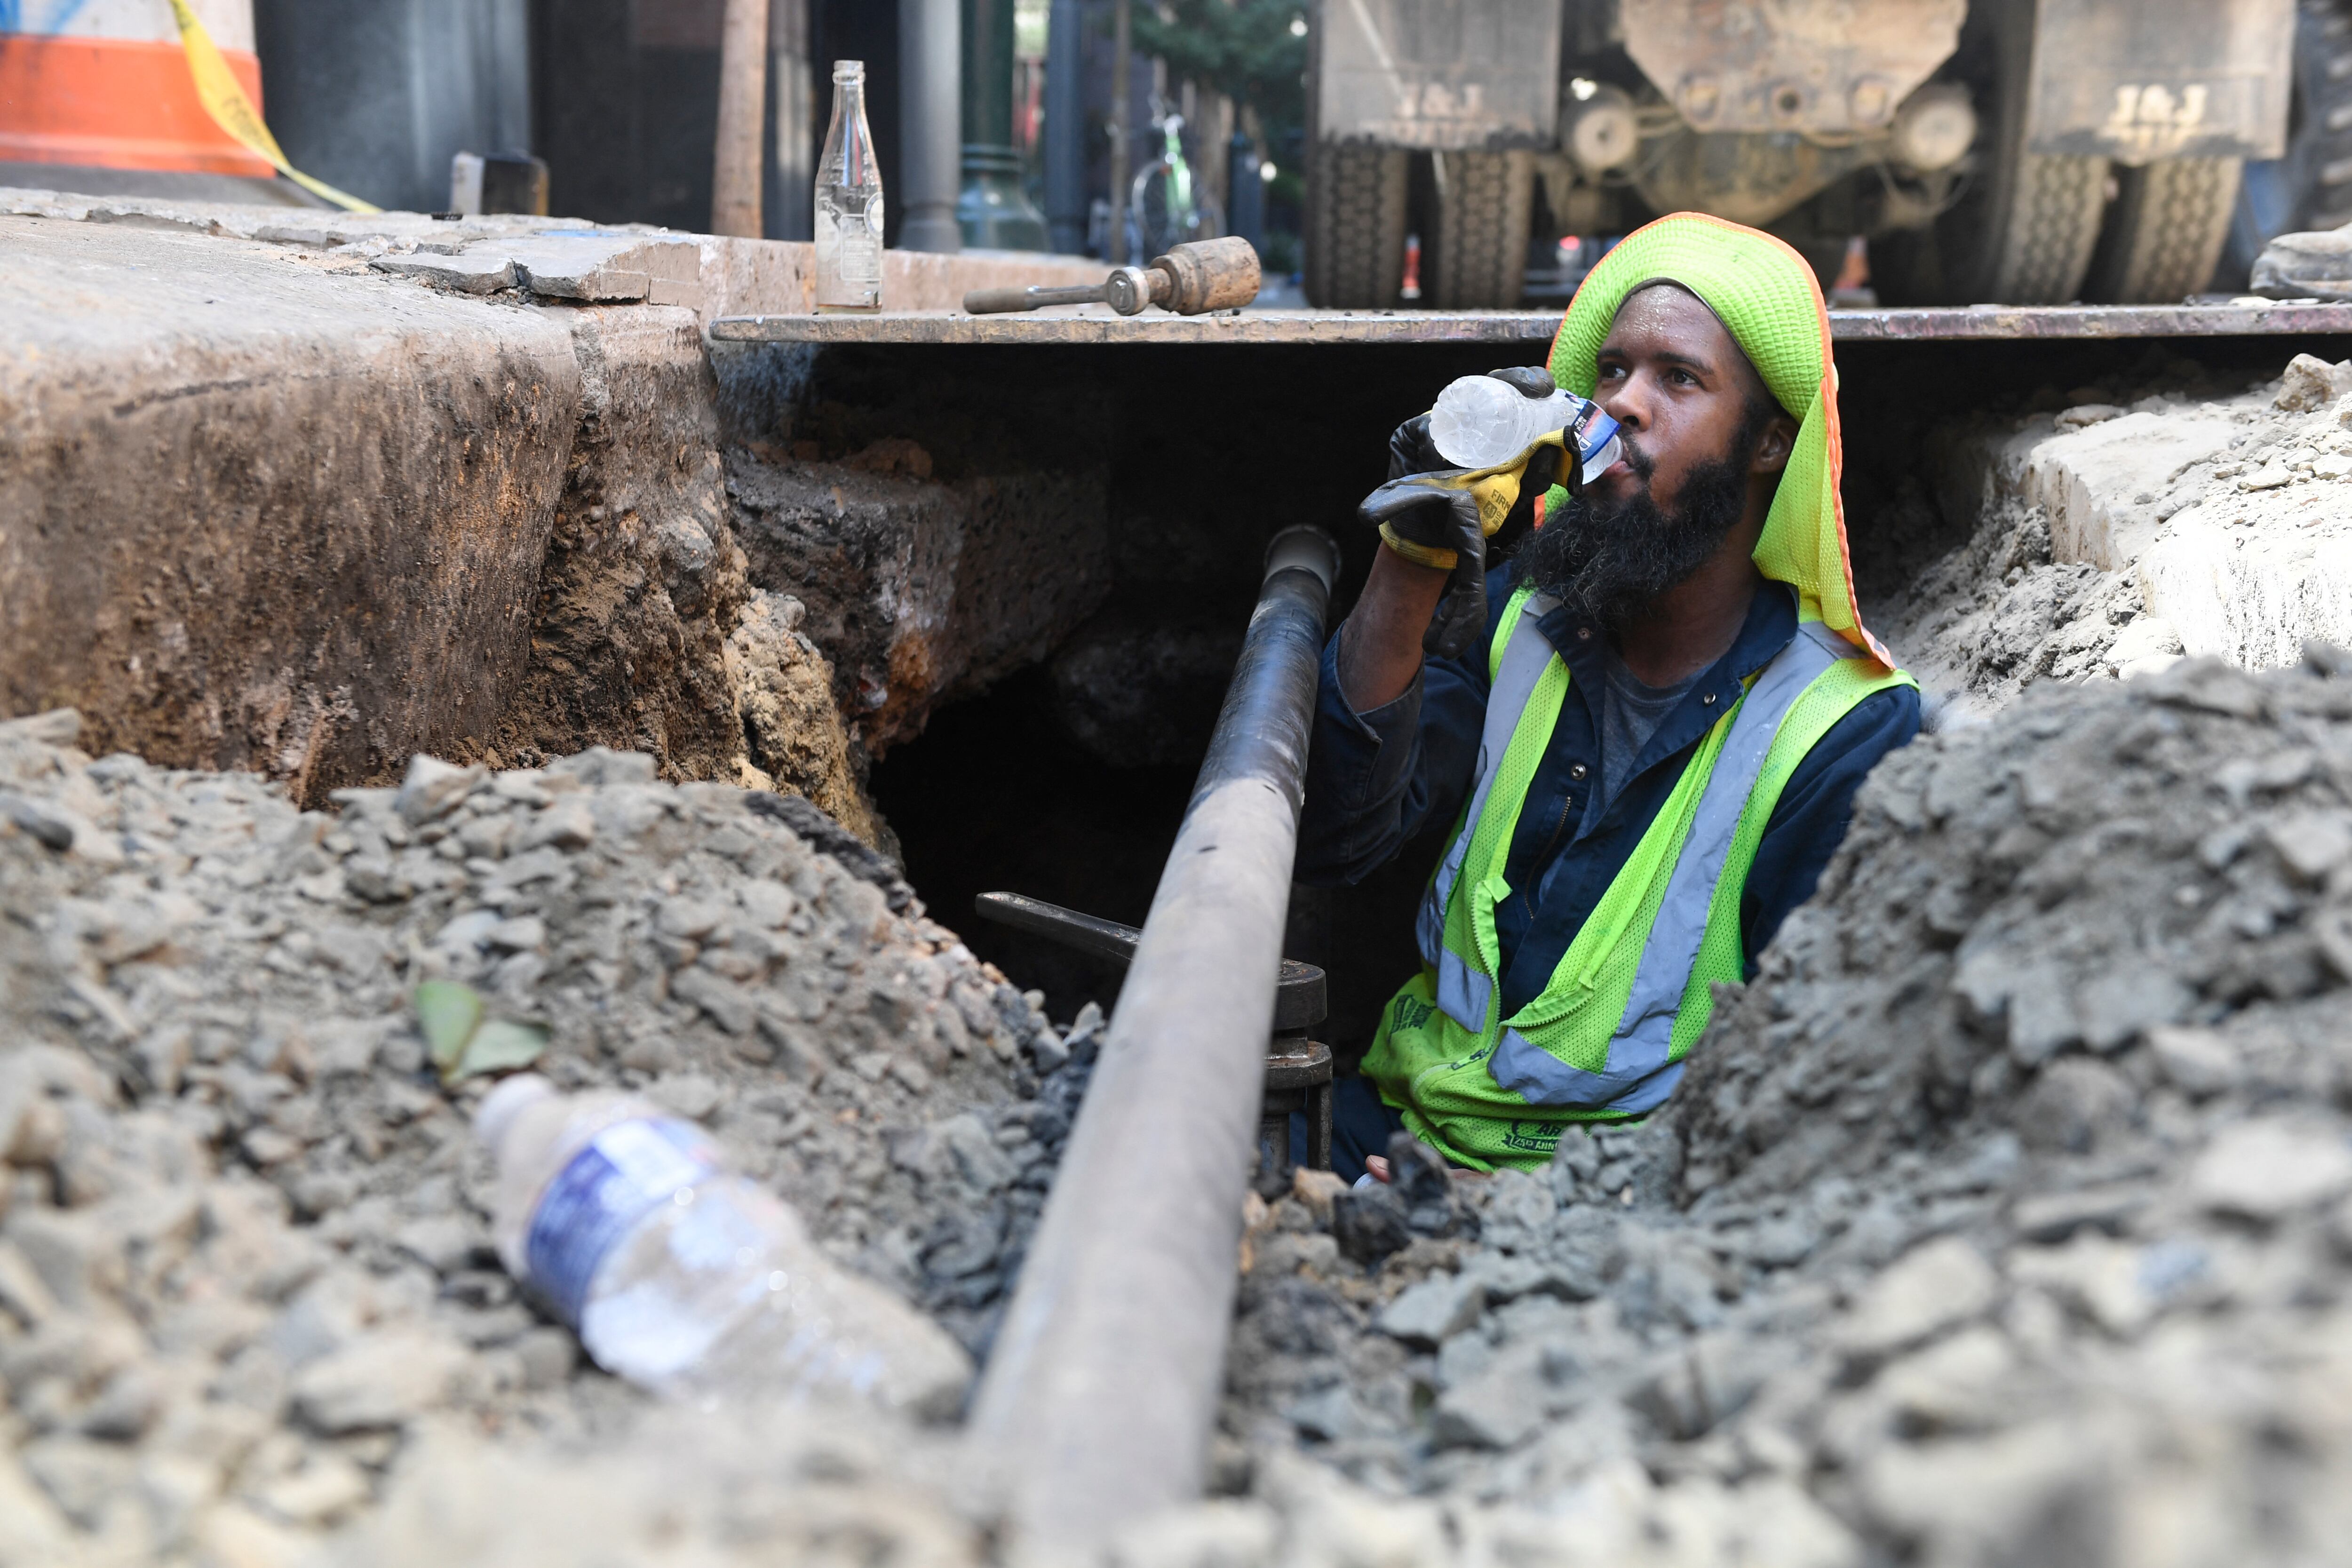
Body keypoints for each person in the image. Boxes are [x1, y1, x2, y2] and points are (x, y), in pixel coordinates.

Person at [1296, 214, 1921, 1181]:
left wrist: (1518, 1218)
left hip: (1622, 1213)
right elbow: (1336, 836)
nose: (1624, 402)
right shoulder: (1517, 624)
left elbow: (1811, 1097)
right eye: (1613, 371)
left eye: (1678, 379)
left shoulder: (1839, 730)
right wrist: (1411, 560)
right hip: (1390, 1130)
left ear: (1766, 445)